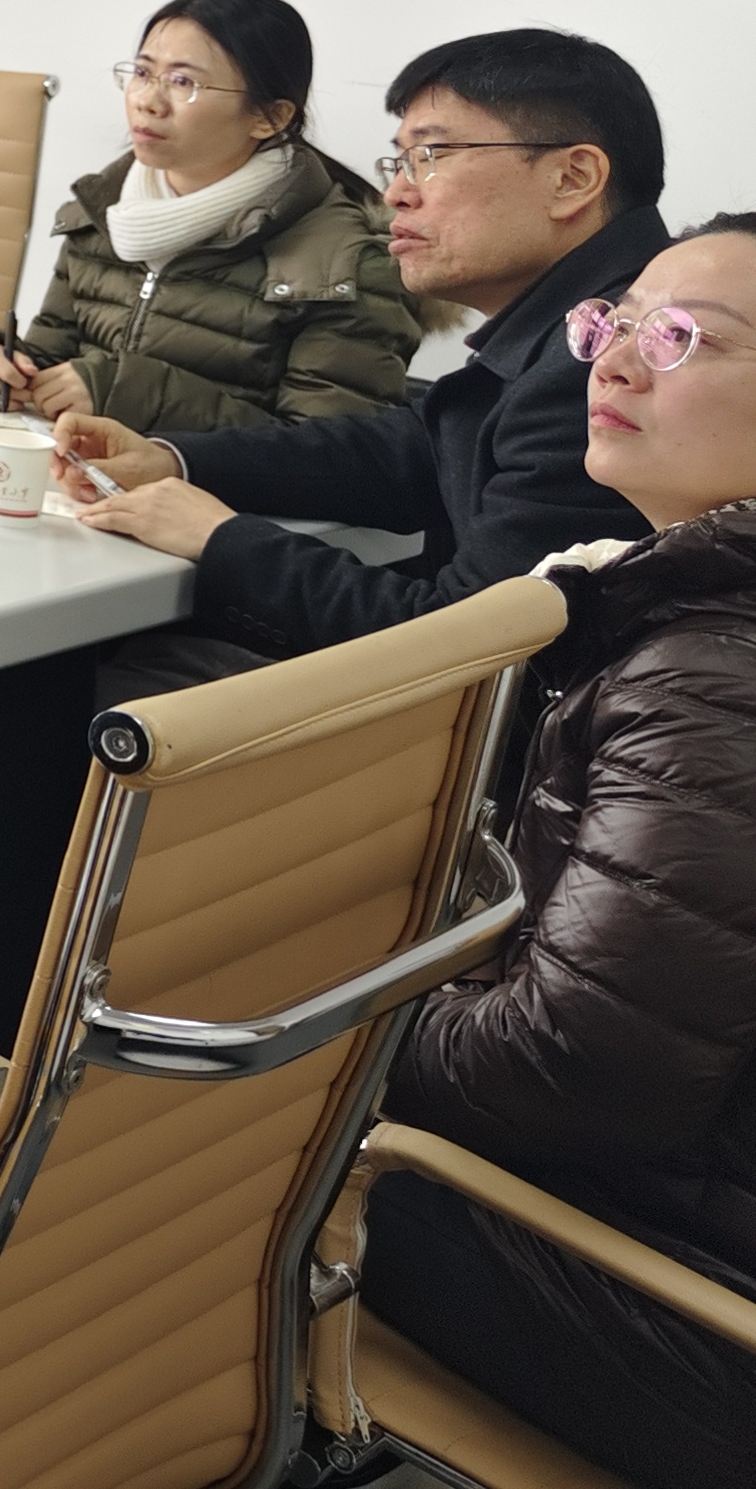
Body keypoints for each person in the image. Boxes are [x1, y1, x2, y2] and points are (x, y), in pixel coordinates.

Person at [360, 213, 756, 1482]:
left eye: (684, 338)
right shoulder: (682, 611)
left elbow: (578, 1065)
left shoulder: (709, 674)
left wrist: (340, 1023)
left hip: (686, 1311)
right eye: (615, 323)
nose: (616, 361)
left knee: (174, 1122)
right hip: (684, 1221)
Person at [55, 29, 665, 669]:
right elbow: (413, 451)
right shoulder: (578, 324)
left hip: (497, 717)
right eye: (400, 161)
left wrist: (218, 538)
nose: (397, 193)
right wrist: (174, 460)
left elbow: (463, 646)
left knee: (101, 671)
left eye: (431, 155)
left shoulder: (609, 361)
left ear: (572, 178)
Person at [0, 0, 416, 435]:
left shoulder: (342, 265)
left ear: (269, 117)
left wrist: (132, 394)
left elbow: (329, 452)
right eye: (142, 73)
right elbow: (50, 367)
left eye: (183, 82)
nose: (147, 101)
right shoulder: (101, 215)